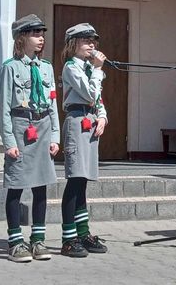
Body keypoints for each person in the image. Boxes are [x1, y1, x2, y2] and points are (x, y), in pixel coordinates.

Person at [0, 14, 59, 262]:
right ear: (22, 38)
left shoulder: (46, 68)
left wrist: (55, 135)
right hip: (21, 126)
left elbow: (53, 104)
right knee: (16, 186)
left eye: (42, 34)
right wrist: (9, 142)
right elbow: (3, 108)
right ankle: (15, 242)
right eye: (35, 34)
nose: (41, 38)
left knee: (41, 186)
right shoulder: (10, 67)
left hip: (43, 126)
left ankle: (38, 239)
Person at [59, 23, 109, 257]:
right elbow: (89, 93)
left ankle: (83, 232)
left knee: (83, 181)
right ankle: (68, 238)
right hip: (76, 120)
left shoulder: (90, 68)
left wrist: (102, 116)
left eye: (93, 41)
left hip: (90, 121)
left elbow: (98, 98)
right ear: (73, 44)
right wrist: (98, 70)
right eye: (86, 40)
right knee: (75, 180)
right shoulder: (71, 67)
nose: (91, 45)